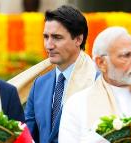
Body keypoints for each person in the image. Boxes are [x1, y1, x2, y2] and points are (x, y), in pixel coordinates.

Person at [24, 5, 97, 143]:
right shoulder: (39, 84)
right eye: (46, 37)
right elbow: (27, 136)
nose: (49, 45)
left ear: (78, 39)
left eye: (57, 37)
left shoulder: (98, 81)